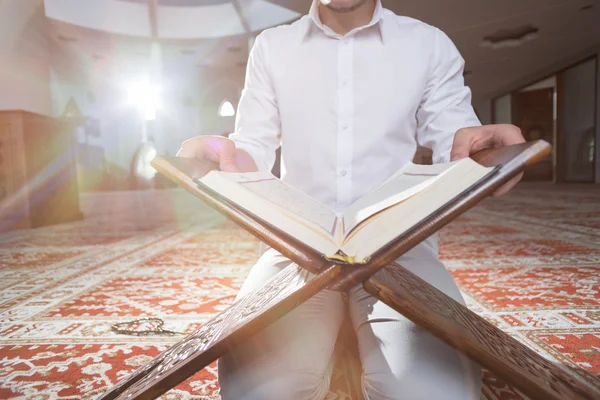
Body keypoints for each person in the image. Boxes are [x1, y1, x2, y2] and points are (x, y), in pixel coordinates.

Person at [178, 1, 525, 398]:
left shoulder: (428, 43)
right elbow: (251, 146)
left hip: (400, 246)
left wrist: (487, 157)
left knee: (433, 393)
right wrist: (219, 153)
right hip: (294, 248)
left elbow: (457, 137)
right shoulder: (272, 45)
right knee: (261, 393)